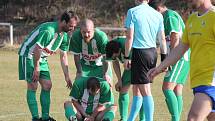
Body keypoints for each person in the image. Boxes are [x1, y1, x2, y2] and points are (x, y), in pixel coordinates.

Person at [147, 0, 215, 121]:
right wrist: (159, 68)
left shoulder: (213, 16)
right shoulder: (193, 19)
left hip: (211, 82)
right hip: (198, 81)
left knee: (193, 117)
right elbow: (181, 47)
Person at [18, 10, 79, 121]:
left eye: (74, 26)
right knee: (33, 85)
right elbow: (37, 48)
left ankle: (45, 118)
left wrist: (67, 76)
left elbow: (64, 56)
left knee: (47, 85)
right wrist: (36, 68)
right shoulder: (49, 31)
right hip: (29, 55)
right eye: (71, 26)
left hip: (41, 57)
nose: (72, 29)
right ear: (63, 22)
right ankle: (35, 118)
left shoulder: (64, 36)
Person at [124, 0, 167, 121]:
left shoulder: (132, 12)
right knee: (137, 89)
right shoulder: (157, 14)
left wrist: (127, 57)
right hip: (152, 52)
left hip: (140, 53)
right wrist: (164, 60)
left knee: (145, 90)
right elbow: (162, 39)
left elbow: (129, 36)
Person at [149, 1, 190, 121]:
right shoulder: (165, 17)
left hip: (180, 57)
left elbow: (175, 37)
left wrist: (170, 59)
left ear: (157, 9)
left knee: (166, 88)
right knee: (177, 89)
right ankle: (176, 118)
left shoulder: (170, 16)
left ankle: (175, 119)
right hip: (180, 57)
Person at [106, 36, 145, 121]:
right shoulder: (111, 47)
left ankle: (143, 119)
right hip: (131, 66)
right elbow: (115, 62)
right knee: (123, 90)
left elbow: (137, 58)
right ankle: (123, 118)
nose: (115, 57)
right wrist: (119, 80)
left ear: (119, 50)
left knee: (141, 91)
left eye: (115, 55)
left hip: (141, 62)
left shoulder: (127, 45)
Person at [69, 19, 112, 84]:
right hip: (85, 66)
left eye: (89, 32)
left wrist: (105, 74)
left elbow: (105, 58)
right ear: (80, 30)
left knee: (107, 85)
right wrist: (79, 72)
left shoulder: (101, 37)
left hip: (101, 65)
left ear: (93, 30)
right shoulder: (76, 36)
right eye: (83, 32)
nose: (86, 35)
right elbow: (76, 56)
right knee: (78, 85)